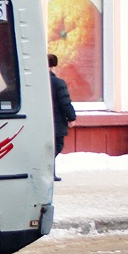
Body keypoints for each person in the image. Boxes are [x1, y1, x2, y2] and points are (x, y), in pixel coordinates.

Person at [49, 53, 77, 181]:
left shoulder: (36, 83)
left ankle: (49, 172)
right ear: (53, 67)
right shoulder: (58, 83)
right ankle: (49, 172)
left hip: (40, 123)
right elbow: (65, 102)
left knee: (47, 148)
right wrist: (71, 117)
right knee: (56, 146)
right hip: (56, 122)